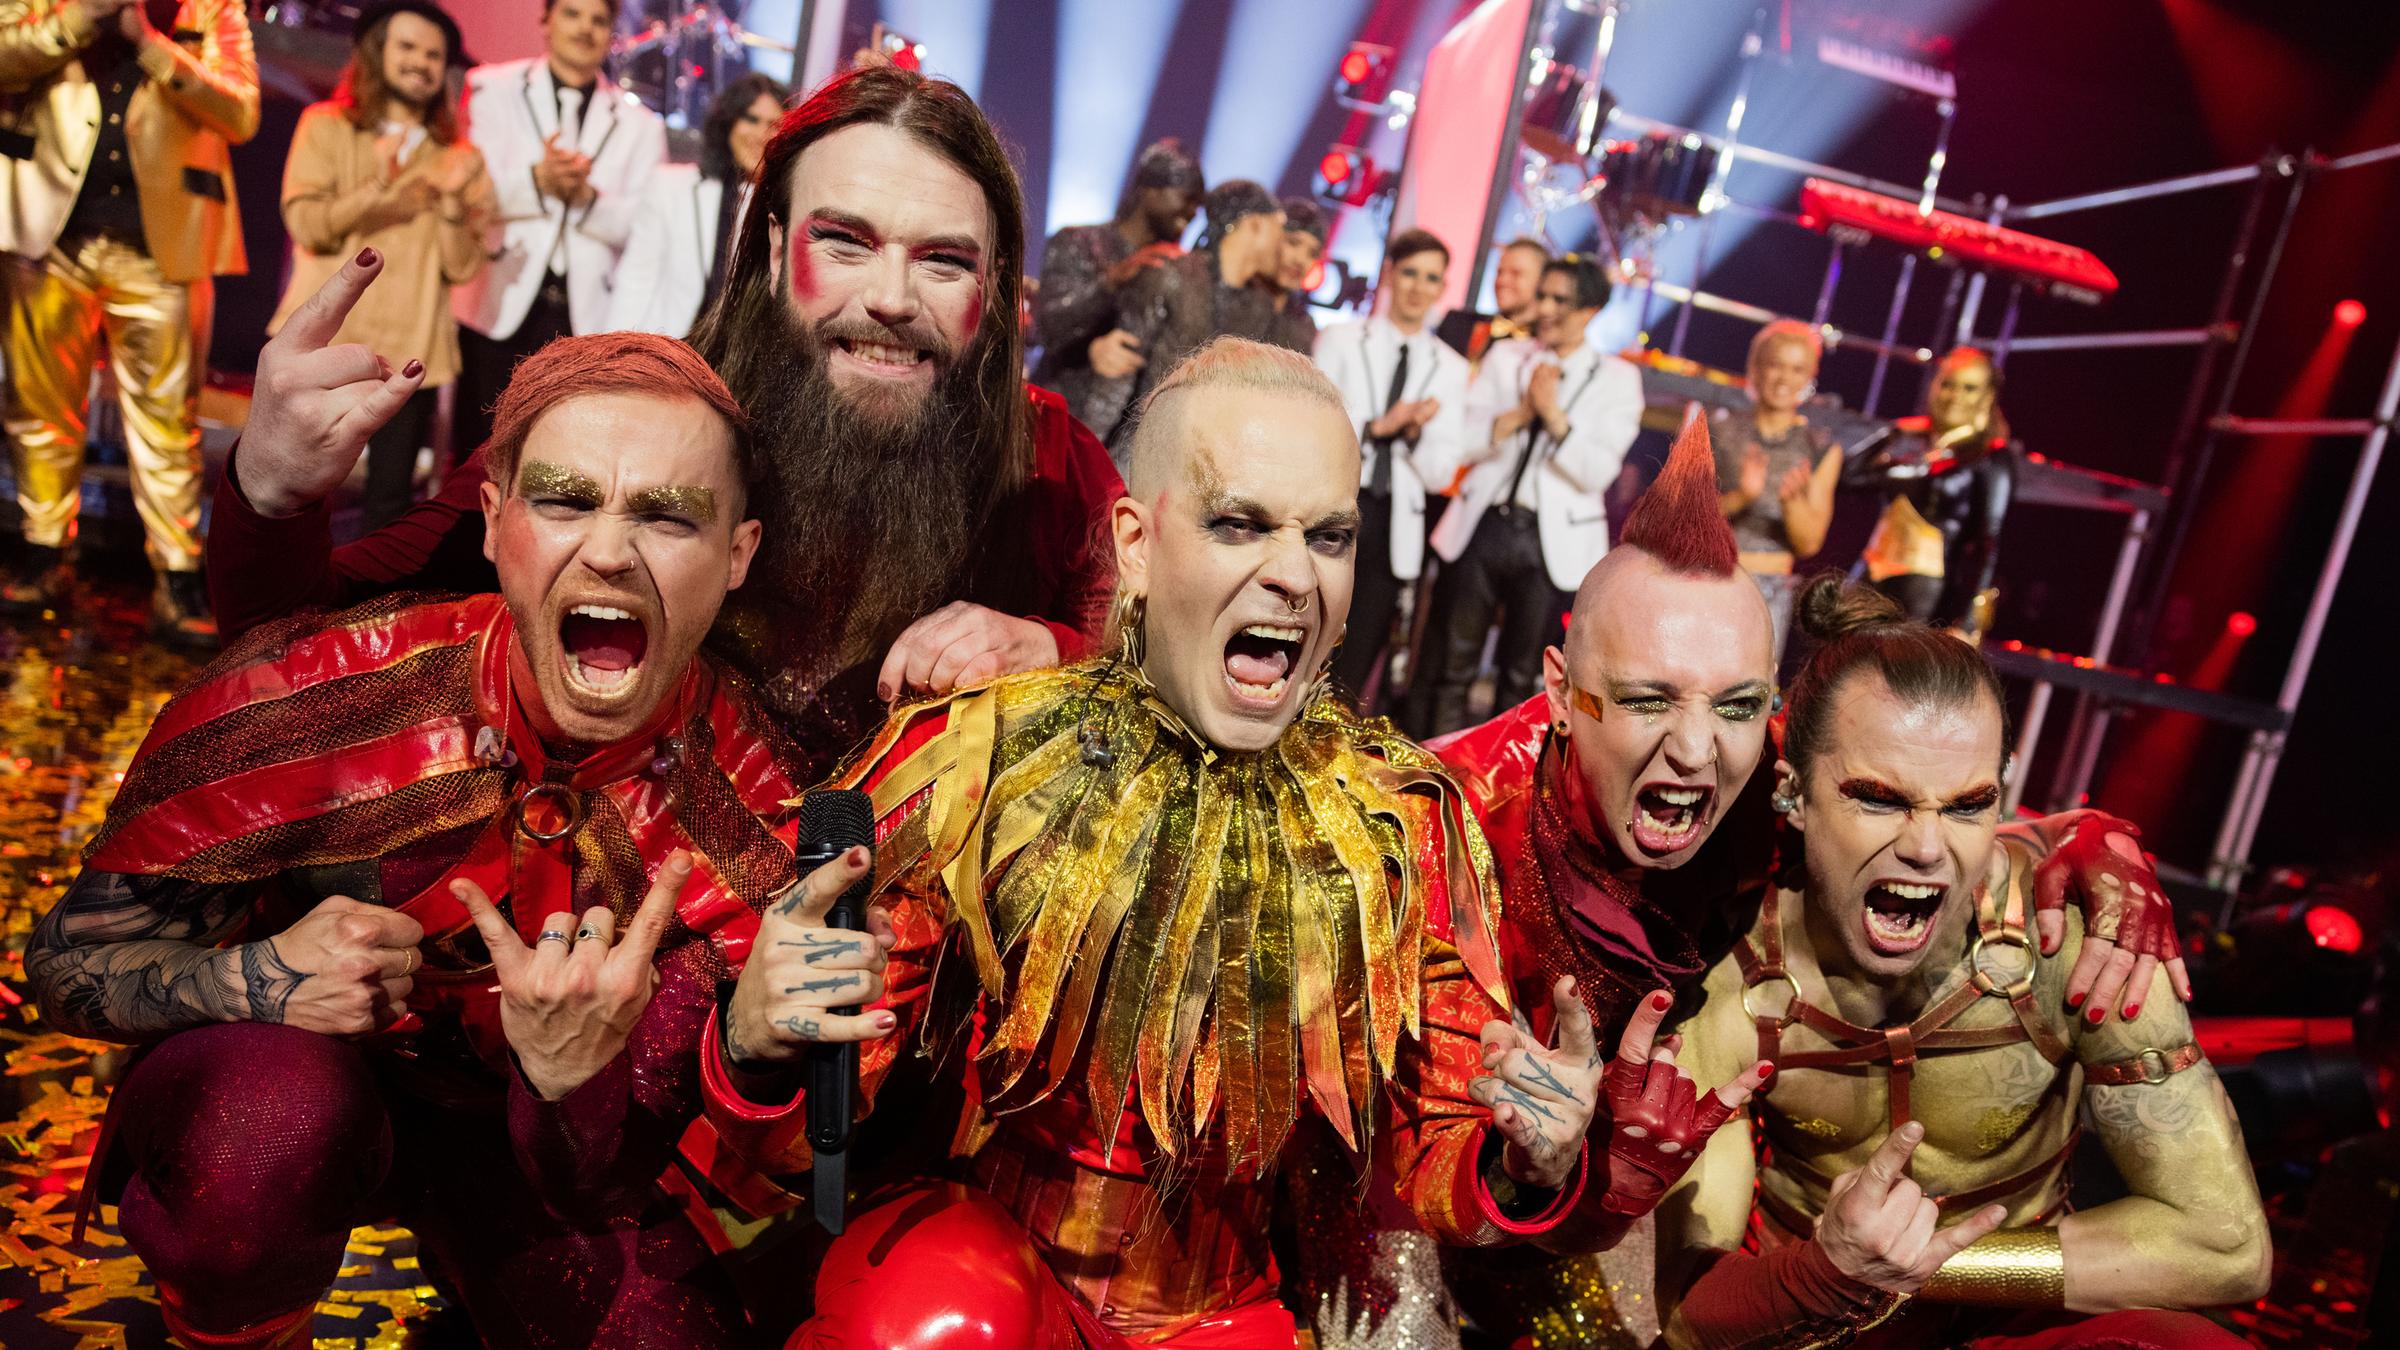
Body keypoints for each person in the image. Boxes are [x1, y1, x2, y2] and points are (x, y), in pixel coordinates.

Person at [692, 339, 1760, 1346]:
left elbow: (1442, 1145)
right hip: (977, 1279)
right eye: (1241, 524)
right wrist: (767, 1041)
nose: (1296, 575)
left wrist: (1527, 1152)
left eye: (1330, 536)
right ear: (1136, 546)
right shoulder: (984, 757)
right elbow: (811, 1125)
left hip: (1214, 1309)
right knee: (937, 1316)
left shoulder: (1401, 824)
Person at [1299, 421, 2187, 1348]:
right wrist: (1541, 1167)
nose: (1695, 750)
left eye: (1736, 705)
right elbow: (1430, 1156)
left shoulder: (1768, 775)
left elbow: (1925, 819)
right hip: (1401, 1180)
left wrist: (2084, 839)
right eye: (1647, 700)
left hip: (1606, 1180)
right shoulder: (1446, 824)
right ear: (1559, 691)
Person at [26, 312, 798, 1349]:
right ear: (490, 520)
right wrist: (257, 978)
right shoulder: (323, 695)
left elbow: (678, 1169)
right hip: (297, 1097)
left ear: (739, 553)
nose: (609, 553)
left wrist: (581, 1077)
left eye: (669, 517)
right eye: (566, 500)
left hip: (541, 1167)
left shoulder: (755, 801)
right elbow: (64, 961)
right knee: (259, 1137)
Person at [206, 65, 1123, 775]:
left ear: (994, 289)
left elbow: (1170, 666)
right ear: (771, 249)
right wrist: (271, 494)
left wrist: (1051, 649)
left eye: (944, 261)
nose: (889, 297)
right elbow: (292, 649)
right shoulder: (630, 413)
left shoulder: (1046, 463)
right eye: (842, 242)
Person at [1654, 576, 2267, 1348]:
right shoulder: (1729, 986)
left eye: (1967, 805)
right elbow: (1686, 1318)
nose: (1926, 847)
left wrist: (1931, 1266)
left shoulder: (2079, 943)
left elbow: (2228, 1245)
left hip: (2013, 1329)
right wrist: (1825, 1273)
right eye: (1879, 798)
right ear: (1794, 795)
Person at [0, 0, 258, 644]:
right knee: (37, 407)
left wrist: (149, 43)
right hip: (47, 235)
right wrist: (79, 20)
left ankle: (176, 575)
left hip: (161, 245)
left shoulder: (209, 6)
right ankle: (43, 553)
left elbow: (242, 111)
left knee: (170, 422)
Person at [268, 0, 492, 530]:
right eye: (408, 47)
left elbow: (463, 267)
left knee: (388, 509)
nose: (422, 63)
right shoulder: (324, 126)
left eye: (434, 55)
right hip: (325, 343)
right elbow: (308, 226)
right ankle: (281, 612)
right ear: (376, 52)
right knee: (294, 494)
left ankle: (363, 614)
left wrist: (456, 208)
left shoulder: (461, 157)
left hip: (411, 351)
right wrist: (381, 192)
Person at [1412, 253, 1641, 738]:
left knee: (1523, 675)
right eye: (1544, 296)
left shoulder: (1618, 380)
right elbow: (1464, 441)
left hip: (1551, 542)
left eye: (1562, 300)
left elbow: (1596, 472)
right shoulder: (1507, 357)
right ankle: (1433, 766)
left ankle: (1501, 789)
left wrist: (1553, 415)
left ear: (1589, 311)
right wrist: (1518, 414)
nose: (1547, 308)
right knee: (1451, 663)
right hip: (1484, 523)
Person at [448, 0, 665, 455]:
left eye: (598, 19)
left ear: (611, 34)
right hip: (499, 299)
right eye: (572, 13)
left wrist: (586, 200)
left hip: (585, 315)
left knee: (558, 454)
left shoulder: (641, 126)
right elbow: (470, 195)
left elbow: (645, 228)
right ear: (545, 22)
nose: (585, 28)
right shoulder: (491, 88)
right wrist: (537, 181)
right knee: (473, 452)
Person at [1310, 226, 1468, 712]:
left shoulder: (1452, 368)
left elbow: (1442, 471)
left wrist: (1414, 433)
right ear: (1389, 275)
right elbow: (1314, 426)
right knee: (1309, 628)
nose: (1419, 287)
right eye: (1411, 273)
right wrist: (1379, 426)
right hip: (1333, 502)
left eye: (1432, 278)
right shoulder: (1338, 340)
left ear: (1443, 289)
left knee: (1357, 660)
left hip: (1394, 521)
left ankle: (1325, 759)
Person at [1090, 178, 1288, 454]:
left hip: (1209, 459)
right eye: (1279, 228)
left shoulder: (1261, 306)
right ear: (1255, 224)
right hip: (1139, 452)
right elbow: (1118, 371)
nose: (1283, 244)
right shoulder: (1170, 276)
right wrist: (1084, 456)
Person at [1029, 137, 1203, 434]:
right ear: (1151, 190)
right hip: (1056, 423)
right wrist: (1111, 282)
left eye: (1196, 207)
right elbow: (1049, 325)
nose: (1191, 213)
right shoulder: (1077, 243)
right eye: (1186, 199)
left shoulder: (1170, 268)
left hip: (1128, 431)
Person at [1848, 345, 2016, 638]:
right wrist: (1895, 431)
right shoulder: (1921, 453)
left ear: (1987, 397)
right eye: (1948, 384)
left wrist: (1965, 624)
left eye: (1969, 388)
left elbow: (1987, 544)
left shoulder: (1990, 458)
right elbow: (1849, 476)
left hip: (1924, 594)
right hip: (1869, 579)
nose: (1955, 396)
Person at [606, 71, 789, 338]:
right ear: (728, 124)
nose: (762, 134)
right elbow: (636, 280)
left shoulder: (786, 207)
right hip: (670, 349)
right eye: (751, 119)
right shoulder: (669, 187)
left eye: (774, 125)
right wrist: (612, 355)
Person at [1712, 318, 1839, 658]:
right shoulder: (1718, 429)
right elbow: (1678, 514)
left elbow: (1809, 543)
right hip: (1709, 578)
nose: (1784, 379)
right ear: (1755, 367)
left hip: (1769, 591)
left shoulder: (1820, 447)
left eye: (1798, 369)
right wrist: (1741, 498)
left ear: (1810, 377)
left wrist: (1793, 506)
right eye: (1775, 365)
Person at [1435, 235, 1546, 367]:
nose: (1502, 281)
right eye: (1499, 272)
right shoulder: (1457, 324)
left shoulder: (1545, 346)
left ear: (1543, 281)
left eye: (1516, 273)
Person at [1265, 194, 1327, 352]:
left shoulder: (1304, 326)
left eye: (1312, 253)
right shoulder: (1235, 302)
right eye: (1293, 242)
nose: (1300, 260)